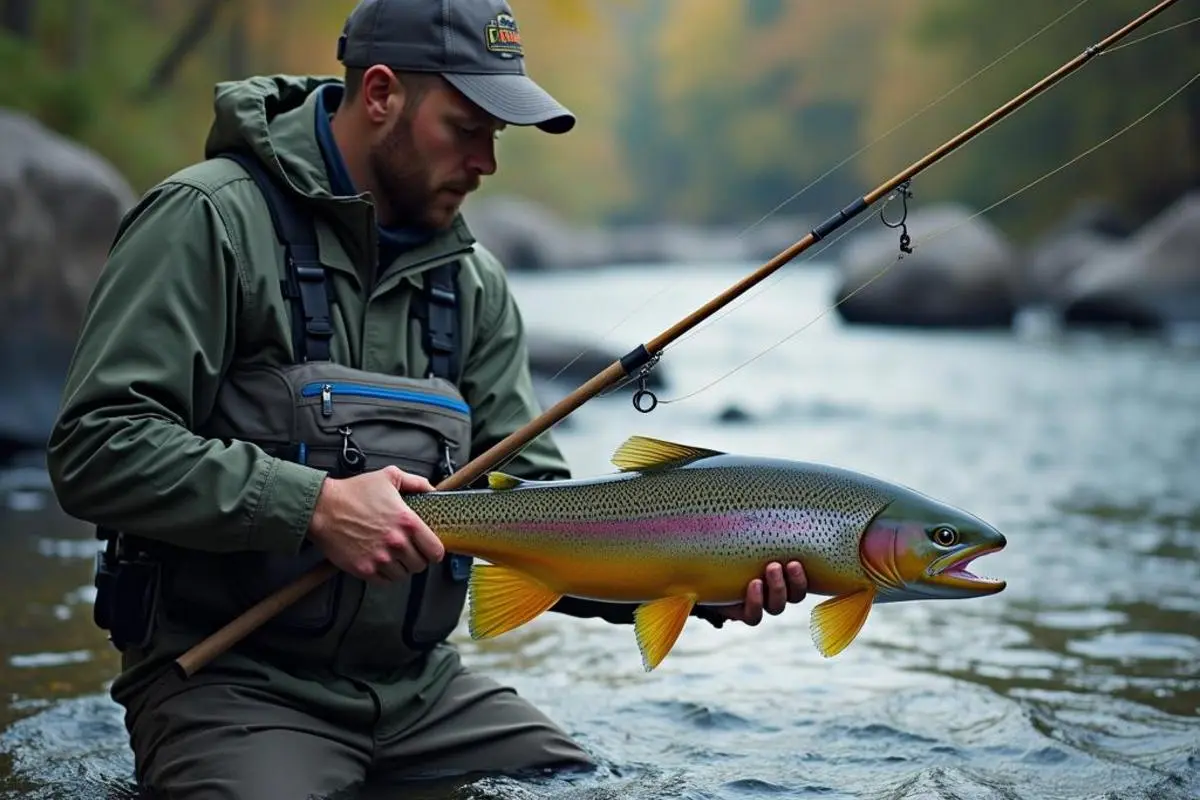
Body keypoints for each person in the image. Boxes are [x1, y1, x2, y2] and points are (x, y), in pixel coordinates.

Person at [45, 0, 810, 797]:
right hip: (228, 683)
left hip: (422, 694)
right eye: (467, 127)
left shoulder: (474, 285)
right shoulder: (207, 222)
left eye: (498, 136)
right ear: (380, 94)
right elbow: (96, 446)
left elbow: (544, 513)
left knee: (578, 787)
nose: (488, 161)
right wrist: (314, 506)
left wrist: (709, 578)